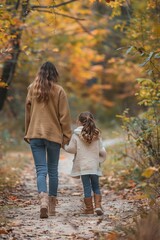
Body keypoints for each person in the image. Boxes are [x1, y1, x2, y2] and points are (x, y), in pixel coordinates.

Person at [24, 61, 71, 219]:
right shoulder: (59, 90)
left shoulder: (32, 88)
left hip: (35, 134)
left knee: (40, 171)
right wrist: (66, 136)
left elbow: (28, 112)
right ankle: (51, 207)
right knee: (53, 171)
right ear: (54, 74)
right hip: (53, 135)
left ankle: (42, 201)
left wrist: (27, 131)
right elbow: (64, 116)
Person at [64, 111, 106, 216]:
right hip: (94, 165)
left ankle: (89, 209)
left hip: (83, 166)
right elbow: (102, 150)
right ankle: (98, 206)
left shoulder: (76, 134)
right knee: (96, 186)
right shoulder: (96, 134)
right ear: (92, 120)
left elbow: (71, 149)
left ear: (78, 121)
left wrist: (64, 145)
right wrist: (100, 159)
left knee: (87, 186)